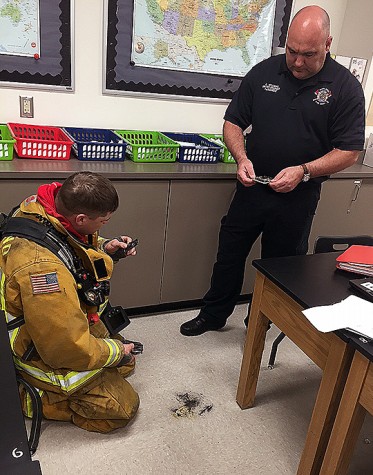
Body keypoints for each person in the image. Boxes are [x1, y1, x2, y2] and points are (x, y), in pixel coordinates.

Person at [180, 5, 365, 336]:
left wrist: (304, 170)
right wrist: (241, 158)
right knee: (228, 255)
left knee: (279, 268)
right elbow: (233, 122)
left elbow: (349, 151)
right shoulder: (264, 72)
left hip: (298, 195)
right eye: (292, 51)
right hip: (252, 187)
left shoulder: (345, 87)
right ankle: (214, 314)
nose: (296, 62)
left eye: (307, 54)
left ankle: (260, 324)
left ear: (328, 43)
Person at [0, 171, 140, 433]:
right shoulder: (43, 274)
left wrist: (105, 246)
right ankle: (30, 398)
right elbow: (63, 347)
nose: (103, 227)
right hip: (36, 346)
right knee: (121, 407)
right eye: (103, 222)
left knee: (126, 364)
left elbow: (66, 242)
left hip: (49, 318)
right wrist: (115, 352)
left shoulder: (40, 207)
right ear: (81, 219)